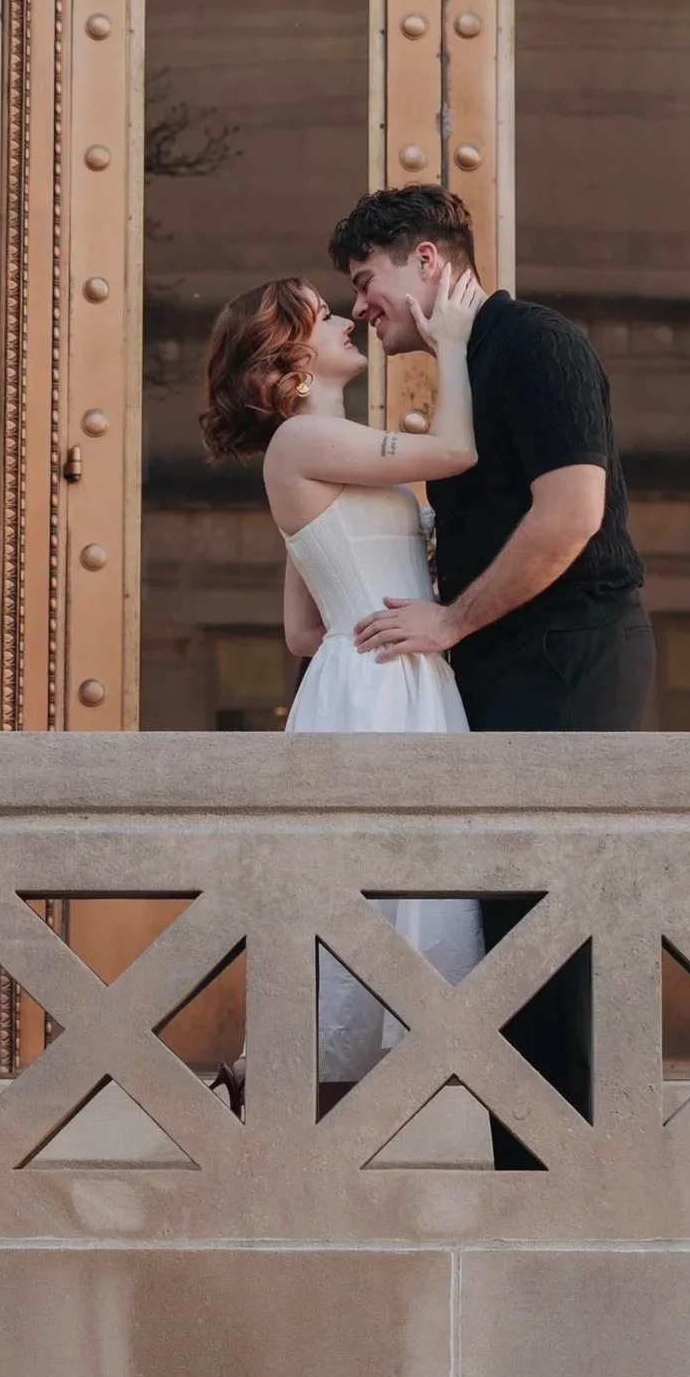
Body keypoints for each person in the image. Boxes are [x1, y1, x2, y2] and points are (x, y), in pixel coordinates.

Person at [327, 184, 652, 1163]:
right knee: (514, 925)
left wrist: (452, 618)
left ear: (426, 259)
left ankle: (570, 1184)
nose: (358, 305)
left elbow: (570, 515)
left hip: (566, 657)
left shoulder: (537, 344)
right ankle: (535, 1176)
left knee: (548, 918)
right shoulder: (475, 364)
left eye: (365, 277)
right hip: (512, 664)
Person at [198, 266, 486, 1094]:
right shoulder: (301, 441)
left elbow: (300, 631)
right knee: (386, 879)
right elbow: (458, 451)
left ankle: (273, 1083)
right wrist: (452, 350)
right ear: (288, 354)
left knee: (376, 884)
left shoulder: (319, 451)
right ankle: (280, 1081)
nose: (344, 323)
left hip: (373, 674)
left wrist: (366, 612)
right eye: (324, 318)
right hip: (384, 683)